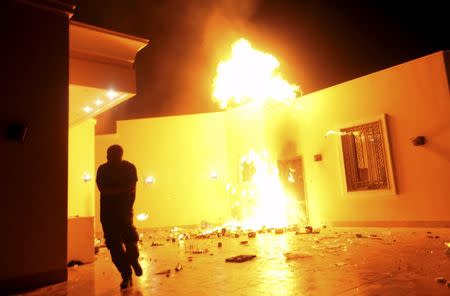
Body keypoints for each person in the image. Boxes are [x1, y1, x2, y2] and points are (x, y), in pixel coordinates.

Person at [96, 145, 142, 289]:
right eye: (110, 155)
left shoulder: (129, 168)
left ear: (120, 155)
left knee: (130, 240)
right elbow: (104, 190)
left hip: (122, 212)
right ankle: (126, 274)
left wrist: (117, 192)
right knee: (115, 247)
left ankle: (132, 261)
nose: (111, 158)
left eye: (114, 155)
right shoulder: (103, 169)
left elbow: (131, 189)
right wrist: (123, 191)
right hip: (110, 215)